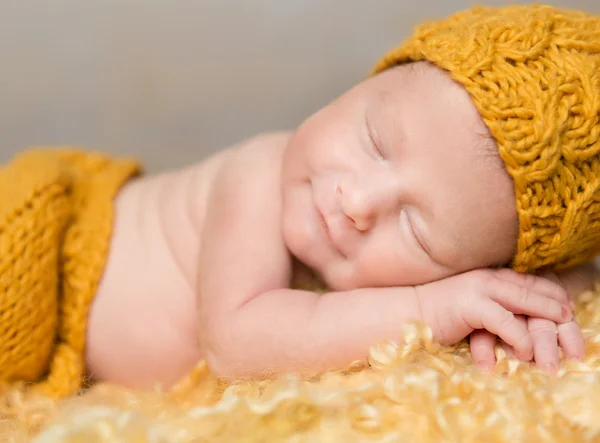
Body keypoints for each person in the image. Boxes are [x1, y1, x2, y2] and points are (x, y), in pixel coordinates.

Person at [1, 4, 598, 398]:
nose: (360, 200)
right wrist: (437, 304)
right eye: (375, 140)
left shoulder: (414, 270)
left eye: (417, 230)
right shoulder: (259, 172)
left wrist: (544, 300)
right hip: (43, 256)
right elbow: (238, 342)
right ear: (363, 84)